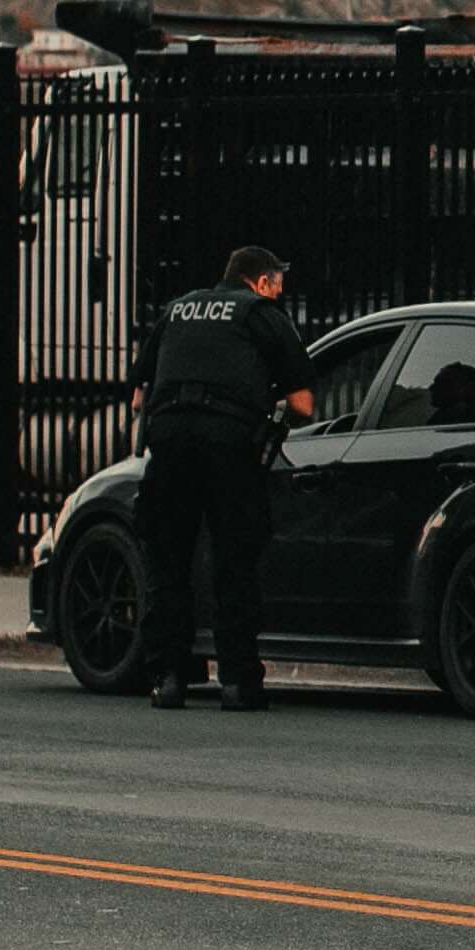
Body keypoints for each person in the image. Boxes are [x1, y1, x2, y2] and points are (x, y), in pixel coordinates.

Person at [130, 244, 313, 712]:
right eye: (278, 283)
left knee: (168, 563)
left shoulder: (178, 310)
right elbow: (302, 405)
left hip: (169, 441)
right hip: (228, 446)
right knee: (234, 562)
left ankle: (169, 679)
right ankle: (237, 682)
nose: (279, 291)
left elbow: (137, 400)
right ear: (261, 281)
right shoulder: (260, 315)